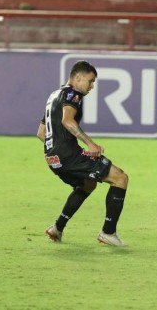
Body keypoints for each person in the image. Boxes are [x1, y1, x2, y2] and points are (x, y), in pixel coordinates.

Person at [37, 60, 129, 246]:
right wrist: (90, 144)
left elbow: (41, 133)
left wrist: (57, 151)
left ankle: (57, 228)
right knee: (120, 178)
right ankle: (108, 233)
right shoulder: (74, 93)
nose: (92, 86)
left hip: (53, 158)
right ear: (78, 77)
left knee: (88, 185)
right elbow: (67, 121)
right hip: (68, 156)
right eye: (91, 80)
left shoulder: (55, 95)